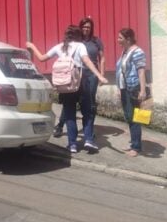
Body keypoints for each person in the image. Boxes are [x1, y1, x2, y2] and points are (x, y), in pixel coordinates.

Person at [27, 25, 107, 154]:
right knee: (87, 112)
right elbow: (87, 61)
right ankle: (88, 140)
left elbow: (42, 58)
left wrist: (32, 46)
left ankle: (72, 144)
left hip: (64, 86)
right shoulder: (80, 46)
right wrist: (99, 75)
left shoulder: (59, 47)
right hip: (80, 83)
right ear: (78, 36)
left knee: (70, 115)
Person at [116, 27, 148, 157]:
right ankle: (134, 143)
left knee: (135, 117)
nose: (118, 40)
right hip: (125, 88)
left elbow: (141, 71)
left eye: (120, 38)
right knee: (129, 117)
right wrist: (119, 88)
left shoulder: (137, 51)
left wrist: (143, 90)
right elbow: (121, 71)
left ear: (128, 39)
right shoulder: (125, 51)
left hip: (133, 88)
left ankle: (136, 147)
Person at [78, 17, 105, 152]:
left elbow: (102, 58)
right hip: (79, 75)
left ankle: (89, 129)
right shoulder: (77, 41)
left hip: (93, 74)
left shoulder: (96, 41)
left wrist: (101, 74)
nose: (86, 29)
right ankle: (61, 125)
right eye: (84, 26)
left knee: (91, 103)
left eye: (88, 27)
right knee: (82, 102)